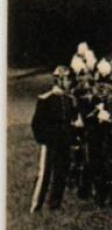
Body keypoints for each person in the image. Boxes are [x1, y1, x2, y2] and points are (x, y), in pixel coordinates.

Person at [30, 65, 76, 212]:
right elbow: (37, 123)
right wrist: (44, 139)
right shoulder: (46, 99)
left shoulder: (69, 99)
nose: (70, 83)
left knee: (61, 172)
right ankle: (36, 205)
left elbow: (70, 120)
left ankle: (55, 204)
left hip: (64, 142)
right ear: (59, 80)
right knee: (44, 174)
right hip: (50, 143)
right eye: (67, 79)